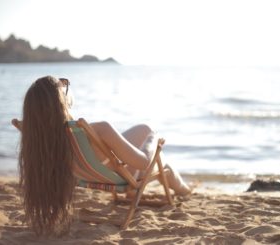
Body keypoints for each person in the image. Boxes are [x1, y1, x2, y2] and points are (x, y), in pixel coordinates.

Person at [18, 75, 191, 235]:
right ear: (61, 101)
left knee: (142, 132)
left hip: (92, 174)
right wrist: (154, 139)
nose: (67, 87)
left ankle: (182, 188)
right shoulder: (99, 129)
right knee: (158, 156)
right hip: (125, 177)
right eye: (63, 86)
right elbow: (144, 163)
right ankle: (185, 190)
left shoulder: (41, 139)